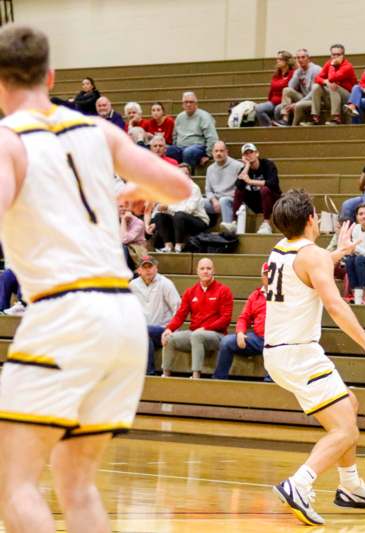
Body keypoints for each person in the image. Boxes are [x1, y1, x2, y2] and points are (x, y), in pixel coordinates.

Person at [0, 23, 193, 531]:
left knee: (13, 484)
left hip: (66, 313)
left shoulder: (8, 141)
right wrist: (130, 188)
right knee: (76, 486)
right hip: (123, 319)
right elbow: (177, 185)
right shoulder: (99, 132)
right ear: (51, 74)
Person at [265, 191, 365, 526]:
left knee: (348, 405)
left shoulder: (280, 249)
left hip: (279, 352)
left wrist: (340, 252)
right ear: (310, 220)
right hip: (299, 353)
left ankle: (350, 486)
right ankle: (300, 483)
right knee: (346, 430)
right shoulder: (314, 256)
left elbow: (306, 269)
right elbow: (336, 306)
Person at [161, 258, 233, 379]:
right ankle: (166, 373)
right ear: (197, 272)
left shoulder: (224, 290)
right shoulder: (191, 291)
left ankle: (196, 375)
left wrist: (205, 328)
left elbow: (225, 319)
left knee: (196, 335)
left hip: (217, 335)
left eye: (209, 268)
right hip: (196, 333)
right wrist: (169, 329)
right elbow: (180, 315)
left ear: (214, 271)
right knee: (170, 338)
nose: (205, 271)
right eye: (202, 268)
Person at [213, 263, 270, 381]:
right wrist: (240, 332)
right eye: (266, 274)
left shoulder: (285, 295)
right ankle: (218, 380)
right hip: (258, 339)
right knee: (227, 341)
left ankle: (270, 382)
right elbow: (244, 318)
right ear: (261, 277)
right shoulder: (255, 296)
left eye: (271, 274)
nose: (269, 277)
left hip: (278, 339)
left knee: (278, 347)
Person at [129, 256, 181, 376]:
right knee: (145, 337)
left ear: (156, 268)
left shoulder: (166, 283)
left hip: (163, 330)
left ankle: (148, 373)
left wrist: (171, 329)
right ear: (139, 270)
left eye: (151, 266)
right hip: (142, 332)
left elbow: (178, 308)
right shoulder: (132, 286)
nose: (148, 270)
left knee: (144, 332)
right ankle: (149, 373)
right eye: (144, 267)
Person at [152, 170, 209, 252]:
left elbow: (189, 209)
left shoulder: (194, 188)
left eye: (185, 173)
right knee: (159, 216)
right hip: (177, 221)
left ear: (189, 176)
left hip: (198, 221)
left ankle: (179, 246)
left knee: (179, 215)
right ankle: (168, 245)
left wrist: (168, 207)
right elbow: (164, 209)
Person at [234, 142, 281, 235]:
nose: (249, 155)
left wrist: (250, 181)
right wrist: (246, 166)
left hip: (273, 201)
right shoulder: (244, 170)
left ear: (257, 153)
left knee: (264, 189)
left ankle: (266, 224)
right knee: (239, 190)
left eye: (251, 152)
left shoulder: (268, 164)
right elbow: (238, 186)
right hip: (256, 203)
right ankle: (234, 223)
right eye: (246, 154)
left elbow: (273, 183)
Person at [166, 91, 219, 170]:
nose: (188, 104)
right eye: (186, 102)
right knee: (168, 151)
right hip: (180, 148)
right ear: (182, 104)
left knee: (188, 152)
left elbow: (212, 137)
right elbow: (175, 136)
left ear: (196, 104)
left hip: (198, 148)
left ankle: (188, 176)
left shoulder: (204, 116)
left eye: (191, 102)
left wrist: (208, 155)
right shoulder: (180, 117)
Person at [308, 43, 357, 126]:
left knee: (332, 85)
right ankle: (315, 117)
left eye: (338, 54)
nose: (335, 57)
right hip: (334, 94)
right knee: (316, 86)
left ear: (343, 55)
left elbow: (332, 78)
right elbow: (317, 78)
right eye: (333, 54)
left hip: (348, 97)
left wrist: (332, 66)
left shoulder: (347, 66)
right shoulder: (329, 63)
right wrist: (325, 81)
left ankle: (336, 118)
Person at [275, 48, 322, 126]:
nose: (300, 60)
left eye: (303, 57)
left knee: (297, 106)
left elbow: (314, 92)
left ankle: (294, 127)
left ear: (308, 58)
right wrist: (297, 72)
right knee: (286, 90)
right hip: (305, 98)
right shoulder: (298, 71)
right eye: (298, 58)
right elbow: (291, 86)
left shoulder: (316, 70)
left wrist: (298, 102)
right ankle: (285, 120)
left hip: (315, 100)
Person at [204, 140, 243, 231]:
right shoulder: (210, 169)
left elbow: (241, 188)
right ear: (212, 153)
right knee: (199, 202)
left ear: (226, 152)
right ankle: (202, 233)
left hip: (232, 200)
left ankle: (229, 230)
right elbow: (208, 190)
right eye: (216, 151)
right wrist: (214, 201)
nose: (218, 153)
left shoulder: (238, 166)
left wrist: (221, 200)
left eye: (221, 151)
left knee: (224, 200)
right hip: (216, 202)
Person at [255, 50, 296, 127]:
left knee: (278, 109)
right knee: (258, 108)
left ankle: (279, 126)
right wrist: (269, 101)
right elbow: (272, 90)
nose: (277, 61)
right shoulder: (276, 74)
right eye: (277, 59)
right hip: (273, 102)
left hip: (284, 103)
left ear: (287, 61)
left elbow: (292, 89)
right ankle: (268, 127)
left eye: (280, 59)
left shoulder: (292, 73)